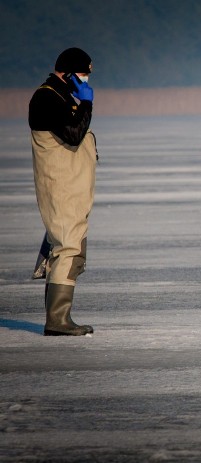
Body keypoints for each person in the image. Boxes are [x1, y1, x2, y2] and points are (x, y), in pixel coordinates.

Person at [28, 47, 97, 336]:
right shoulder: (46, 97)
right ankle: (57, 320)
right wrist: (86, 105)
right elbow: (72, 133)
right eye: (81, 74)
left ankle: (59, 318)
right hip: (61, 187)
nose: (85, 80)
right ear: (66, 72)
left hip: (72, 188)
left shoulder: (61, 96)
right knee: (68, 246)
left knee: (70, 246)